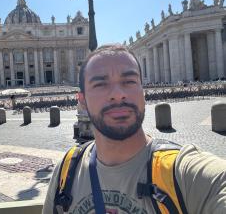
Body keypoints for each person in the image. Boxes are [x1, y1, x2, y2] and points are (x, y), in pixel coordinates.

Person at [43, 44, 226, 213]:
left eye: (129, 81)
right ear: (82, 102)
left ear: (142, 92)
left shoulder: (184, 174)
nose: (118, 95)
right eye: (100, 84)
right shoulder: (66, 171)